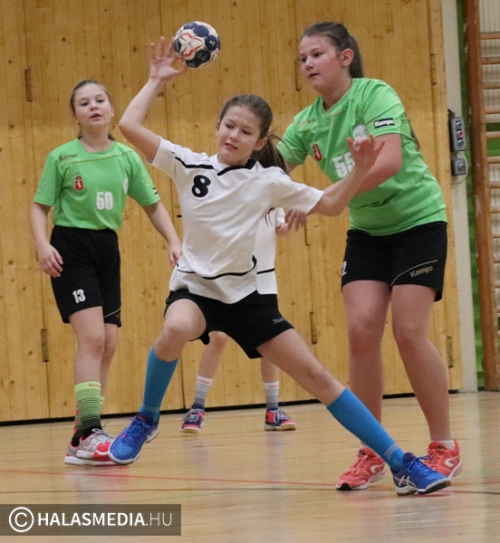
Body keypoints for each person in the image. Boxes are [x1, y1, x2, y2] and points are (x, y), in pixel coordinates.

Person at [108, 36, 451, 496]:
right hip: (197, 291)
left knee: (318, 377)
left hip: (248, 299)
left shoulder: (269, 181)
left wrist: (356, 170)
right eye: (229, 126)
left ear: (260, 142)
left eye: (245, 132)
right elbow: (129, 124)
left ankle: (399, 461)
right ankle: (145, 420)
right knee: (175, 327)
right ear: (217, 127)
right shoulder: (189, 165)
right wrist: (154, 80)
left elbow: (331, 205)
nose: (234, 136)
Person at [277, 21, 462, 491]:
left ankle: (444, 445)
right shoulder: (305, 123)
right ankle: (374, 450)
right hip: (367, 231)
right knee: (361, 330)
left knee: (408, 330)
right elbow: (271, 171)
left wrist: (321, 198)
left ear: (345, 57)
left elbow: (389, 161)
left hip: (418, 222)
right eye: (302, 59)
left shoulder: (374, 95)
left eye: (316, 54)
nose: (308, 64)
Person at [30, 79, 182, 467]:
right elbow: (39, 207)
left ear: (112, 110)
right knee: (93, 338)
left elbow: (152, 205)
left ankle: (80, 435)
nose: (93, 106)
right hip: (71, 248)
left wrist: (173, 240)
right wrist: (42, 245)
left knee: (109, 342)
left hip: (106, 250)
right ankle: (89, 432)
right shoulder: (62, 158)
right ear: (75, 115)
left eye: (100, 100)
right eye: (84, 102)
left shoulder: (127, 157)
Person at [181, 209, 296, 434]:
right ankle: (197, 408)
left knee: (271, 341)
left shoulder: (273, 191)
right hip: (229, 276)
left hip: (263, 278)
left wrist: (284, 227)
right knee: (219, 337)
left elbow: (282, 226)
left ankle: (273, 410)